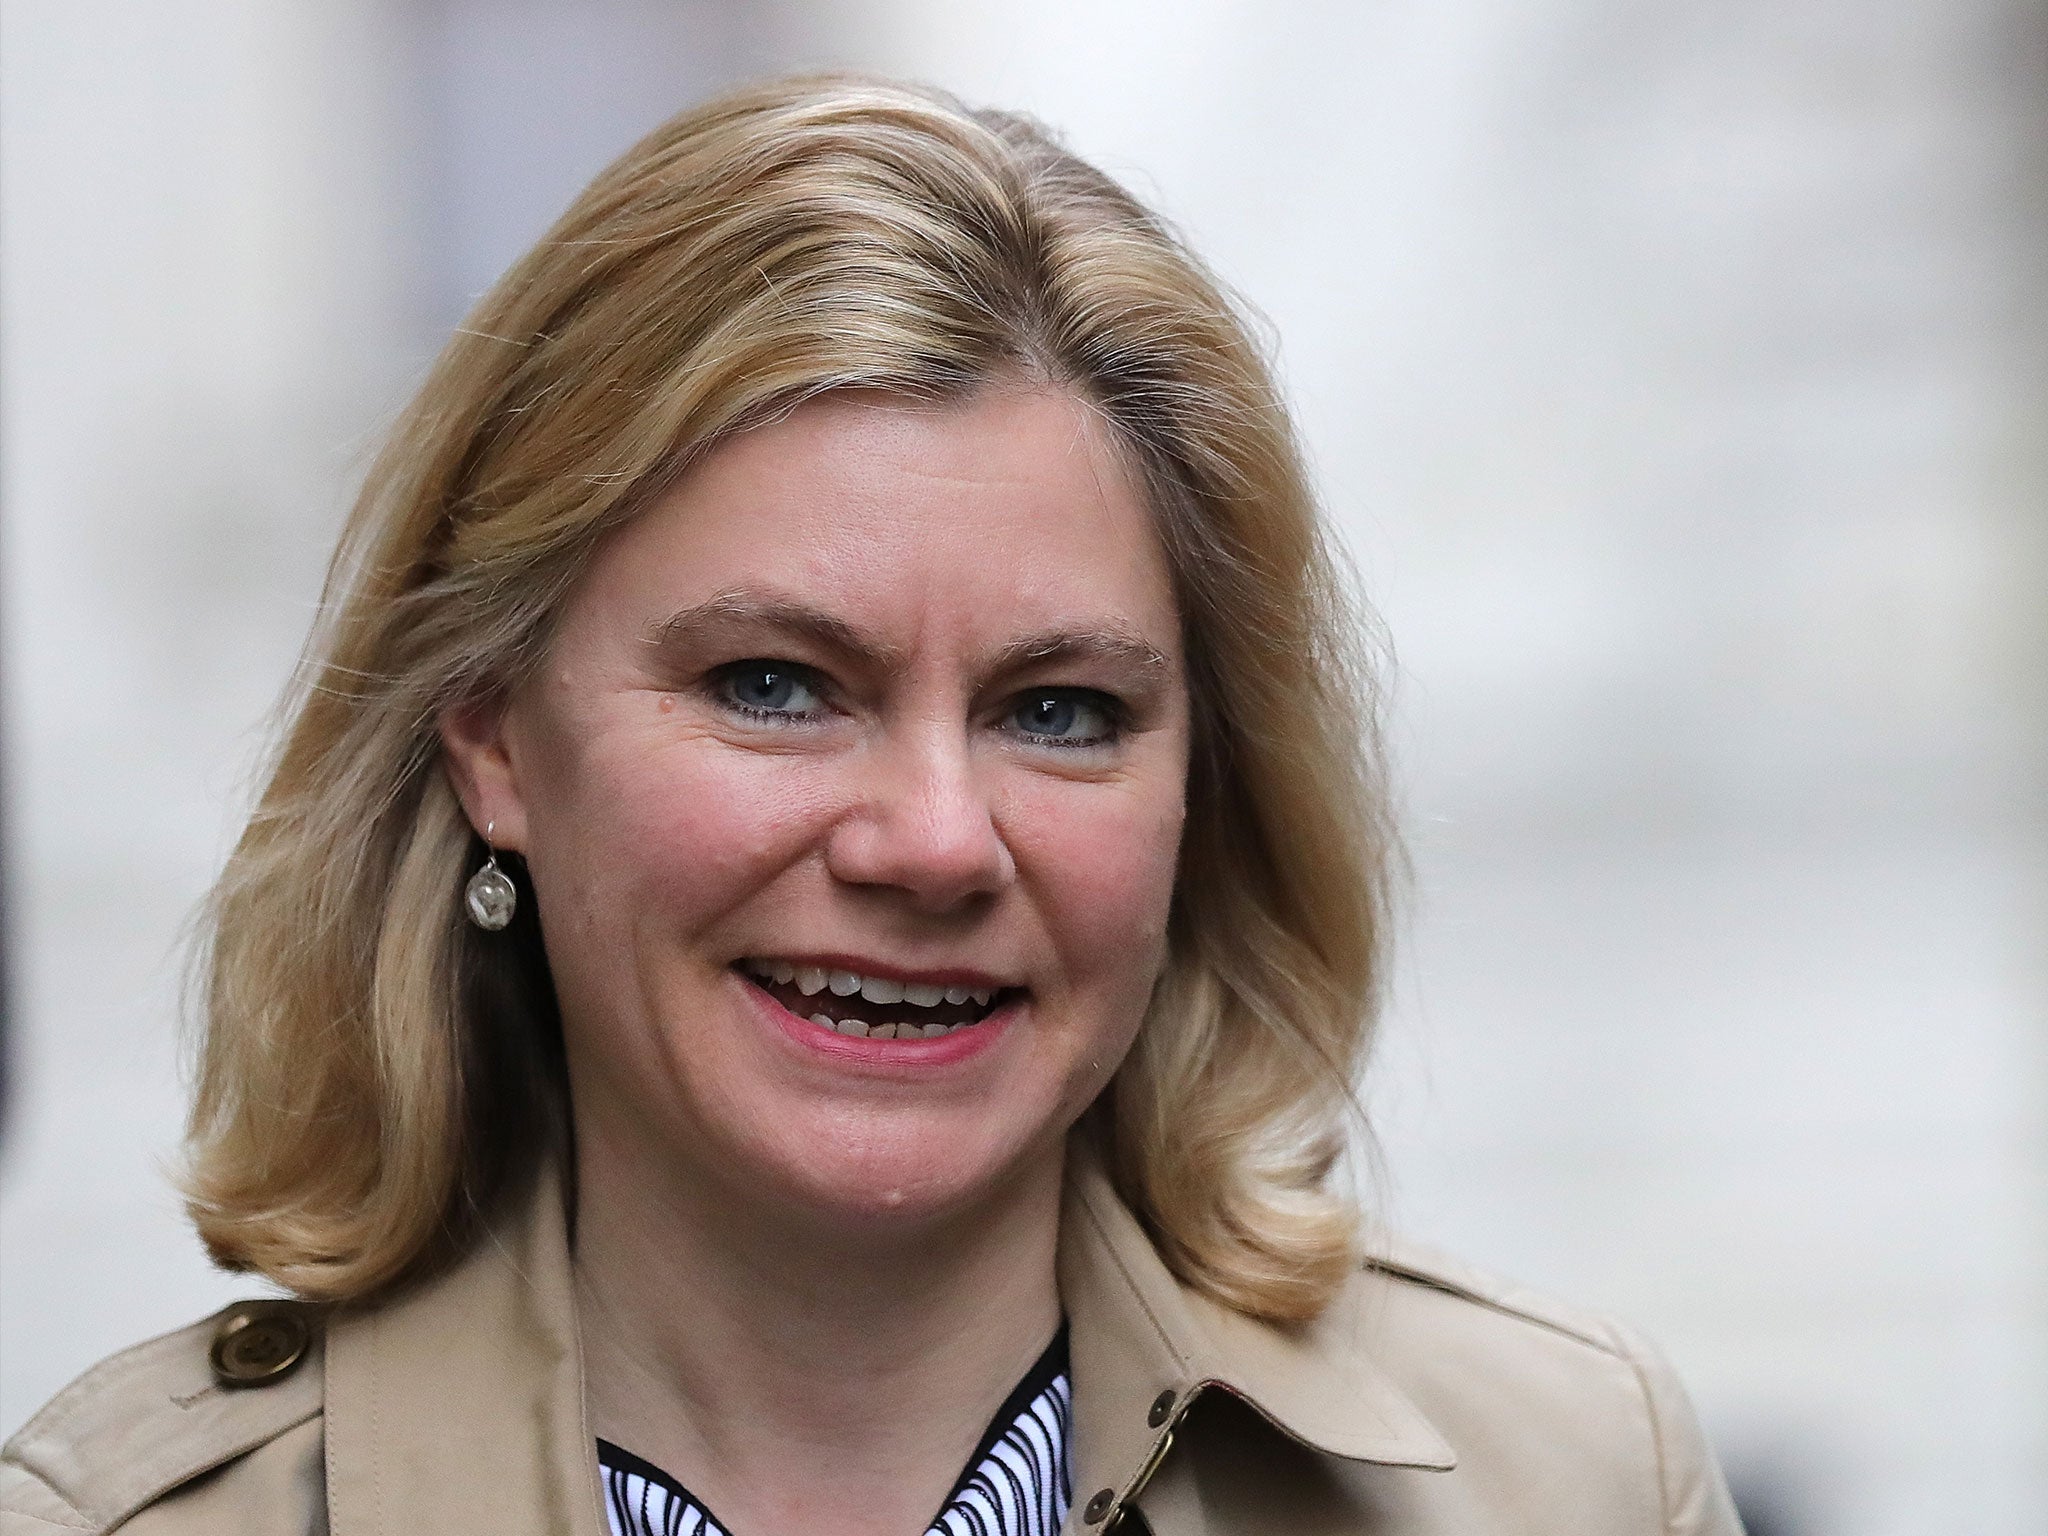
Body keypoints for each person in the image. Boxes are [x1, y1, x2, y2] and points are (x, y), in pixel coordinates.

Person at [0, 76, 1742, 1536]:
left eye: (1060, 711)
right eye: (775, 686)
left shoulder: (1565, 1481)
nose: (929, 841)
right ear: (493, 740)